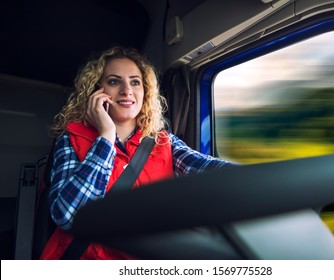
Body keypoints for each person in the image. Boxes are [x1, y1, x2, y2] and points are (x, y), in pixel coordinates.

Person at [40, 46, 234, 259]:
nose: (126, 90)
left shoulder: (163, 141)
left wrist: (258, 179)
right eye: (114, 81)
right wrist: (106, 137)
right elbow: (69, 216)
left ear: (145, 91)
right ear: (96, 91)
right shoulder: (71, 138)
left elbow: (205, 167)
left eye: (135, 82)